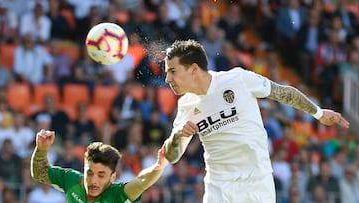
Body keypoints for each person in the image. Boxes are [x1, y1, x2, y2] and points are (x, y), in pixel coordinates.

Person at [163, 39, 350, 203]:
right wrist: (178, 137)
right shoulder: (186, 106)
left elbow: (283, 92)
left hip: (257, 185)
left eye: (173, 71)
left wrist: (318, 113)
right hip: (218, 188)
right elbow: (173, 156)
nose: (167, 78)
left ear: (194, 69)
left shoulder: (238, 79)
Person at [31, 129, 169, 203]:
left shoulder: (117, 195)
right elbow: (40, 172)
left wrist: (160, 165)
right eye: (89, 173)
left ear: (113, 177)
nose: (93, 181)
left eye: (101, 175)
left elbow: (142, 182)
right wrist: (41, 148)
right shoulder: (72, 180)